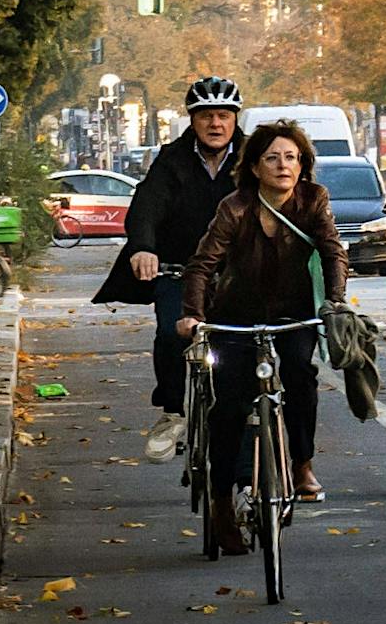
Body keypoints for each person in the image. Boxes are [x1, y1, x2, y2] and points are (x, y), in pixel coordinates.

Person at [178, 121, 348, 554]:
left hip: (294, 315)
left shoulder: (314, 200)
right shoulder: (235, 207)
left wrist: (334, 302)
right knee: (228, 406)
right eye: (272, 158)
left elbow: (332, 251)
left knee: (301, 374)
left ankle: (302, 464)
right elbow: (202, 265)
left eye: (291, 157)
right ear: (254, 167)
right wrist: (193, 315)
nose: (282, 165)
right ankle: (220, 501)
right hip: (236, 317)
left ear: (302, 165)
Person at [94, 78, 244, 462]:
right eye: (206, 116)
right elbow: (147, 205)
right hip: (179, 270)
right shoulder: (172, 159)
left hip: (238, 275)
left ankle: (251, 433)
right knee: (170, 333)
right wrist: (144, 248)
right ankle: (173, 412)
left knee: (248, 346)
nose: (215, 124)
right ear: (192, 120)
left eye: (223, 115)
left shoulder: (253, 158)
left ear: (235, 119)